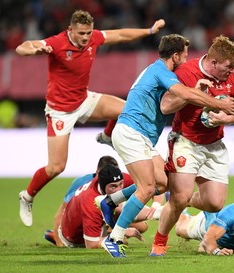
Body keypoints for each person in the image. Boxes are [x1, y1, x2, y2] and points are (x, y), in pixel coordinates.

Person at [16, 9, 165, 227]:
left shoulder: (93, 38)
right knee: (56, 167)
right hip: (61, 110)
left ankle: (106, 136)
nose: (86, 37)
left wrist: (149, 30)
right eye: (81, 33)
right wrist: (35, 49)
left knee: (127, 110)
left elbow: (121, 35)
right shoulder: (57, 43)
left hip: (84, 99)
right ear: (70, 30)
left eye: (88, 33)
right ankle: (27, 197)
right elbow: (23, 46)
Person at [99, 33, 234, 258]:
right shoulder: (162, 72)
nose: (186, 61)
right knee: (146, 188)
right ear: (175, 56)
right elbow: (180, 95)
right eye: (184, 56)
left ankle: (112, 201)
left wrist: (197, 89)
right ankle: (115, 238)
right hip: (132, 133)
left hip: (141, 136)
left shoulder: (155, 70)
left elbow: (178, 99)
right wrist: (218, 103)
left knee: (164, 184)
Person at [151, 35, 234, 256]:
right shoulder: (187, 72)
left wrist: (223, 119)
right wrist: (193, 94)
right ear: (213, 62)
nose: (231, 71)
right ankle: (159, 242)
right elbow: (166, 106)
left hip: (214, 145)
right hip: (185, 141)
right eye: (228, 67)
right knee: (180, 197)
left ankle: (178, 200)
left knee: (215, 203)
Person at [44, 155, 163, 246]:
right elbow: (91, 244)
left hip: (96, 217)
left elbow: (153, 185)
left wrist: (156, 206)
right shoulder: (90, 200)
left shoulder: (117, 179)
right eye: (113, 187)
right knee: (123, 240)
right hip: (75, 238)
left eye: (121, 185)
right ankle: (56, 235)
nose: (119, 190)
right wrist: (123, 232)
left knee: (142, 226)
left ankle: (160, 213)